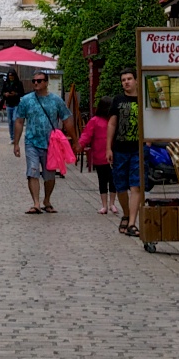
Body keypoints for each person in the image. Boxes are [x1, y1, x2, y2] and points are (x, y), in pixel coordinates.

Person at [12, 69, 72, 214]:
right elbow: (19, 121)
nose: (36, 83)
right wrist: (16, 143)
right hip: (31, 141)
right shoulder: (26, 100)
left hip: (51, 144)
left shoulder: (56, 100)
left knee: (49, 175)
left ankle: (47, 200)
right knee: (32, 171)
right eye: (34, 81)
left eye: (39, 81)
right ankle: (36, 203)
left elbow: (66, 119)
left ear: (46, 83)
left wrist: (74, 140)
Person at [106, 66, 142, 237]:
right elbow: (112, 123)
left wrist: (148, 143)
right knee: (120, 186)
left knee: (136, 185)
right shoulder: (118, 100)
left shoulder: (143, 99)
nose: (126, 82)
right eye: (123, 80)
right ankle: (126, 214)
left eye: (129, 79)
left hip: (138, 149)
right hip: (120, 148)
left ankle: (133, 222)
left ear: (135, 80)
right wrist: (108, 147)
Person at [77, 96, 116, 215]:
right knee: (109, 180)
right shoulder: (106, 120)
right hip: (109, 155)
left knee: (105, 181)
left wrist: (79, 145)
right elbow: (86, 135)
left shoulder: (95, 120)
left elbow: (86, 135)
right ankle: (109, 204)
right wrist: (80, 144)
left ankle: (107, 205)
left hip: (101, 155)